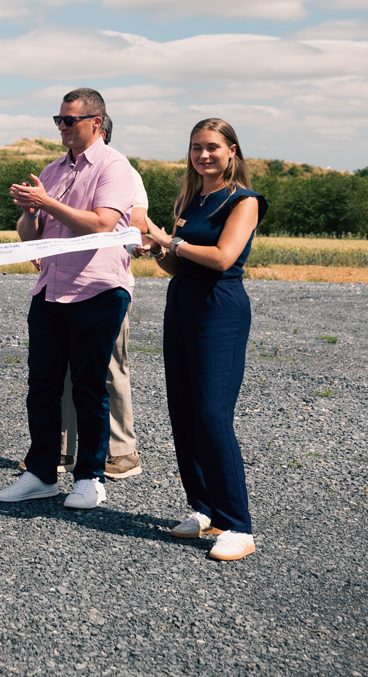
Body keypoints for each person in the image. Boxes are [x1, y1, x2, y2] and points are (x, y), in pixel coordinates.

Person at [0, 88, 133, 510]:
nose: (62, 127)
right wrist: (30, 212)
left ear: (96, 122)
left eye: (69, 120)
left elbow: (102, 224)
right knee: (42, 386)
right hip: (51, 290)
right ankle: (40, 474)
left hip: (96, 290)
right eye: (58, 120)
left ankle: (90, 478)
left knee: (89, 387)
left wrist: (46, 202)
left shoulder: (115, 166)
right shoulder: (52, 170)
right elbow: (31, 237)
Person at [142, 118, 266, 562]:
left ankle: (238, 526)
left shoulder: (244, 201)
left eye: (212, 146)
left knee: (212, 414)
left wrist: (170, 241)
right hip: (182, 303)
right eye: (196, 147)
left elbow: (222, 257)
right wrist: (158, 250)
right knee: (184, 411)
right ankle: (205, 509)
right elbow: (178, 265)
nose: (204, 155)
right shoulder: (189, 199)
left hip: (220, 308)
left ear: (232, 150)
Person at [55, 114, 147, 481]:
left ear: (100, 131)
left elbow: (136, 219)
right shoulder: (64, 171)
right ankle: (63, 448)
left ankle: (122, 451)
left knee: (109, 366)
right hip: (63, 286)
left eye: (71, 121)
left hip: (104, 286)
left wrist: (135, 239)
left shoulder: (121, 171)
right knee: (63, 368)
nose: (65, 128)